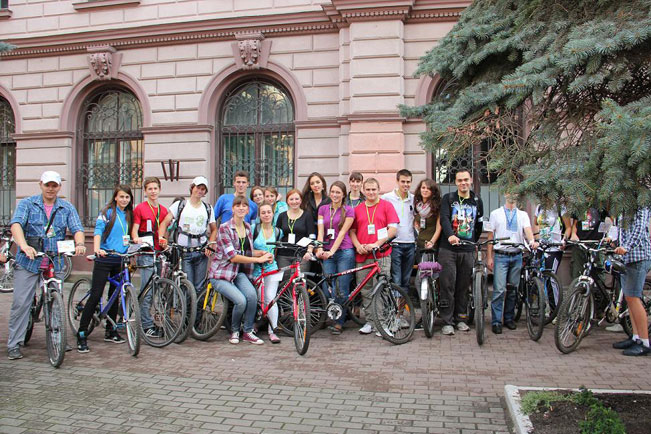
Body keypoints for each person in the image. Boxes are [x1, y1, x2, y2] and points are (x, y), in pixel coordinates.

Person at [7, 171, 86, 360]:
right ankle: (14, 344)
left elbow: (77, 228)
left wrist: (80, 243)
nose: (51, 188)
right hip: (29, 261)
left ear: (59, 187)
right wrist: (24, 246)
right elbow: (16, 225)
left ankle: (58, 339)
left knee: (56, 300)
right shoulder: (28, 204)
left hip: (54, 261)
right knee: (21, 303)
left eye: (54, 185)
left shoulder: (66, 207)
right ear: (41, 184)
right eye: (47, 185)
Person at [77, 185, 134, 353]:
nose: (124, 200)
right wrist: (97, 249)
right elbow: (98, 231)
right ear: (115, 197)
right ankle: (82, 333)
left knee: (115, 295)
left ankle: (111, 330)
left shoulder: (129, 214)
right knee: (96, 295)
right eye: (121, 196)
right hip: (105, 257)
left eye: (127, 197)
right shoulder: (107, 212)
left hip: (120, 258)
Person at [208, 196, 272, 345]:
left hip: (238, 272)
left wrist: (260, 253)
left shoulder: (248, 227)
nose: (241, 208)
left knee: (252, 296)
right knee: (241, 301)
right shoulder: (224, 228)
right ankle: (235, 331)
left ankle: (248, 331)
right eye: (238, 205)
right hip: (221, 273)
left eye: (244, 206)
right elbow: (233, 256)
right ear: (233, 209)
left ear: (248, 210)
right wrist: (257, 260)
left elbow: (245, 251)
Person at [349, 178, 399, 335]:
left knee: (381, 289)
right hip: (362, 255)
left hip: (381, 254)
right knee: (365, 290)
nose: (371, 192)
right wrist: (358, 245)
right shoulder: (358, 209)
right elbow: (352, 231)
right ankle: (370, 321)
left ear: (379, 190)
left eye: (374, 189)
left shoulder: (387, 206)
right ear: (364, 191)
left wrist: (377, 244)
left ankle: (382, 323)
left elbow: (393, 229)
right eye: (368, 190)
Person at [438, 169, 484, 336]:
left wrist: (473, 241)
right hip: (448, 249)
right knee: (447, 285)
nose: (463, 183)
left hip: (468, 249)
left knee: (463, 286)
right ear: (456, 182)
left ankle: (461, 319)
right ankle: (447, 321)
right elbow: (444, 219)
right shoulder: (448, 199)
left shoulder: (477, 200)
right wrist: (451, 235)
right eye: (460, 180)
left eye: (466, 180)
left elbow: (479, 224)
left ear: (470, 180)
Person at [486, 194, 538, 334]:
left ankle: (509, 318)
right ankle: (496, 321)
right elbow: (490, 237)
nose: (512, 196)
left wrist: (532, 241)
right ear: (505, 194)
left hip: (517, 255)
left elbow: (528, 230)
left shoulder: (523, 215)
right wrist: (489, 257)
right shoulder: (495, 214)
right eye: (510, 192)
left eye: (515, 193)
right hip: (501, 255)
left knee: (513, 289)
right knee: (499, 290)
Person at [159, 176, 217, 296]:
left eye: (203, 189)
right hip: (184, 252)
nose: (199, 191)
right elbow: (165, 222)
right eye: (198, 187)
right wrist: (161, 237)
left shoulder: (208, 208)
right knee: (187, 285)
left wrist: (211, 244)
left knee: (199, 286)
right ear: (192, 188)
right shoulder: (180, 205)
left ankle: (197, 308)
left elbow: (214, 229)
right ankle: (187, 307)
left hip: (201, 252)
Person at [315, 181, 355, 335]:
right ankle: (333, 313)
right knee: (327, 286)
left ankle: (339, 322)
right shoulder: (323, 209)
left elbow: (343, 233)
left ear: (343, 194)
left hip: (344, 251)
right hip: (327, 252)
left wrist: (332, 251)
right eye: (333, 191)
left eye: (338, 192)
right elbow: (320, 231)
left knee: (342, 288)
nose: (335, 195)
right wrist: (320, 248)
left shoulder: (349, 210)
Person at [131, 176, 169, 338]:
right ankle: (146, 325)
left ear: (159, 190)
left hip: (159, 253)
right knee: (147, 289)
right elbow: (134, 230)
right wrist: (136, 239)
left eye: (155, 188)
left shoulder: (164, 210)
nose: (153, 191)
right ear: (145, 191)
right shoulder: (140, 208)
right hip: (146, 253)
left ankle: (143, 316)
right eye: (150, 189)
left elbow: (165, 232)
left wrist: (165, 243)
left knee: (156, 288)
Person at [612, 207, 651, 356]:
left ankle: (645, 342)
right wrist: (615, 242)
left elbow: (639, 228)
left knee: (634, 298)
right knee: (629, 299)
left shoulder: (641, 203)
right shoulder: (624, 202)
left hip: (638, 257)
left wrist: (627, 247)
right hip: (627, 258)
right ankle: (636, 337)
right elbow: (622, 228)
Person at [382, 169, 417, 302]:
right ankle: (395, 310)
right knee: (396, 279)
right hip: (395, 243)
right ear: (397, 181)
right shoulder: (387, 198)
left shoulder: (414, 199)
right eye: (403, 181)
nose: (405, 185)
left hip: (410, 243)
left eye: (408, 182)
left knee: (406, 280)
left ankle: (402, 310)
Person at [252, 203, 283, 343]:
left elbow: (276, 251)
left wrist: (270, 257)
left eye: (269, 212)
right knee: (259, 300)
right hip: (257, 269)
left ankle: (273, 331)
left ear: (273, 214)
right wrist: (260, 254)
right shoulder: (254, 229)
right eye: (263, 212)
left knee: (271, 298)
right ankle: (256, 325)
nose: (266, 215)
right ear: (259, 215)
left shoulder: (278, 231)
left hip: (271, 269)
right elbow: (248, 249)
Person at [275, 189, 316, 272]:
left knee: (300, 279)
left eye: (297, 199)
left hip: (301, 254)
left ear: (301, 200)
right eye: (291, 199)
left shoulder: (307, 215)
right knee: (284, 279)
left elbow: (311, 235)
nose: (294, 202)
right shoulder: (282, 216)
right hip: (283, 255)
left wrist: (309, 251)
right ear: (287, 201)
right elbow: (277, 235)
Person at [570, 207, 609, 279]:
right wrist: (573, 234)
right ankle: (578, 286)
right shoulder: (579, 205)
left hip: (597, 243)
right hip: (580, 243)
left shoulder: (601, 205)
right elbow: (575, 223)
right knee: (577, 270)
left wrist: (606, 236)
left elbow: (608, 220)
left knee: (599, 269)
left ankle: (598, 286)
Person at [533, 204, 571, 274]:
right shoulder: (539, 207)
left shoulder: (561, 208)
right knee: (539, 274)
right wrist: (537, 240)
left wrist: (563, 240)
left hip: (555, 247)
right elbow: (535, 224)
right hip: (541, 247)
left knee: (551, 274)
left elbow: (568, 227)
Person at [413, 178, 442, 250]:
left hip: (432, 245)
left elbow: (439, 228)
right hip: (419, 243)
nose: (425, 190)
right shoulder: (417, 205)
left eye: (428, 188)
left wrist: (432, 242)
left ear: (433, 191)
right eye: (423, 188)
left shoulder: (437, 206)